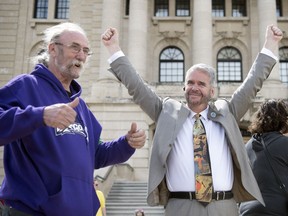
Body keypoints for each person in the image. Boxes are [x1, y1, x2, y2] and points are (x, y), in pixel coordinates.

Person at [101, 24, 283, 216]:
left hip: (224, 206)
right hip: (180, 207)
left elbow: (252, 84)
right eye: (190, 83)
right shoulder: (166, 113)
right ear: (183, 88)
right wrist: (113, 49)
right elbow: (137, 87)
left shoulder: (226, 112)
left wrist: (270, 44)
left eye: (201, 84)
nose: (194, 87)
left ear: (212, 91)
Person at [0, 22, 146, 216]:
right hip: (31, 211)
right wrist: (41, 115)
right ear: (52, 48)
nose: (81, 55)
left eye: (86, 50)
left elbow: (96, 155)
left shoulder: (81, 106)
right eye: (75, 47)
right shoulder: (25, 86)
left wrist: (127, 144)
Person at [239, 99, 288, 215]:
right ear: (282, 120)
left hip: (247, 209)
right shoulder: (285, 143)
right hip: (276, 209)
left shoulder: (247, 147)